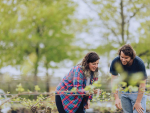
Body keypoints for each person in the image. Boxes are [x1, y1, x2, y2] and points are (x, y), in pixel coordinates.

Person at [110, 44, 147, 113]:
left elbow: (143, 84)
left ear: (131, 57)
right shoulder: (116, 61)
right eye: (122, 57)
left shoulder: (139, 63)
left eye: (126, 58)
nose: (123, 60)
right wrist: (117, 98)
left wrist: (138, 102)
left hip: (137, 93)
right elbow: (114, 81)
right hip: (124, 92)